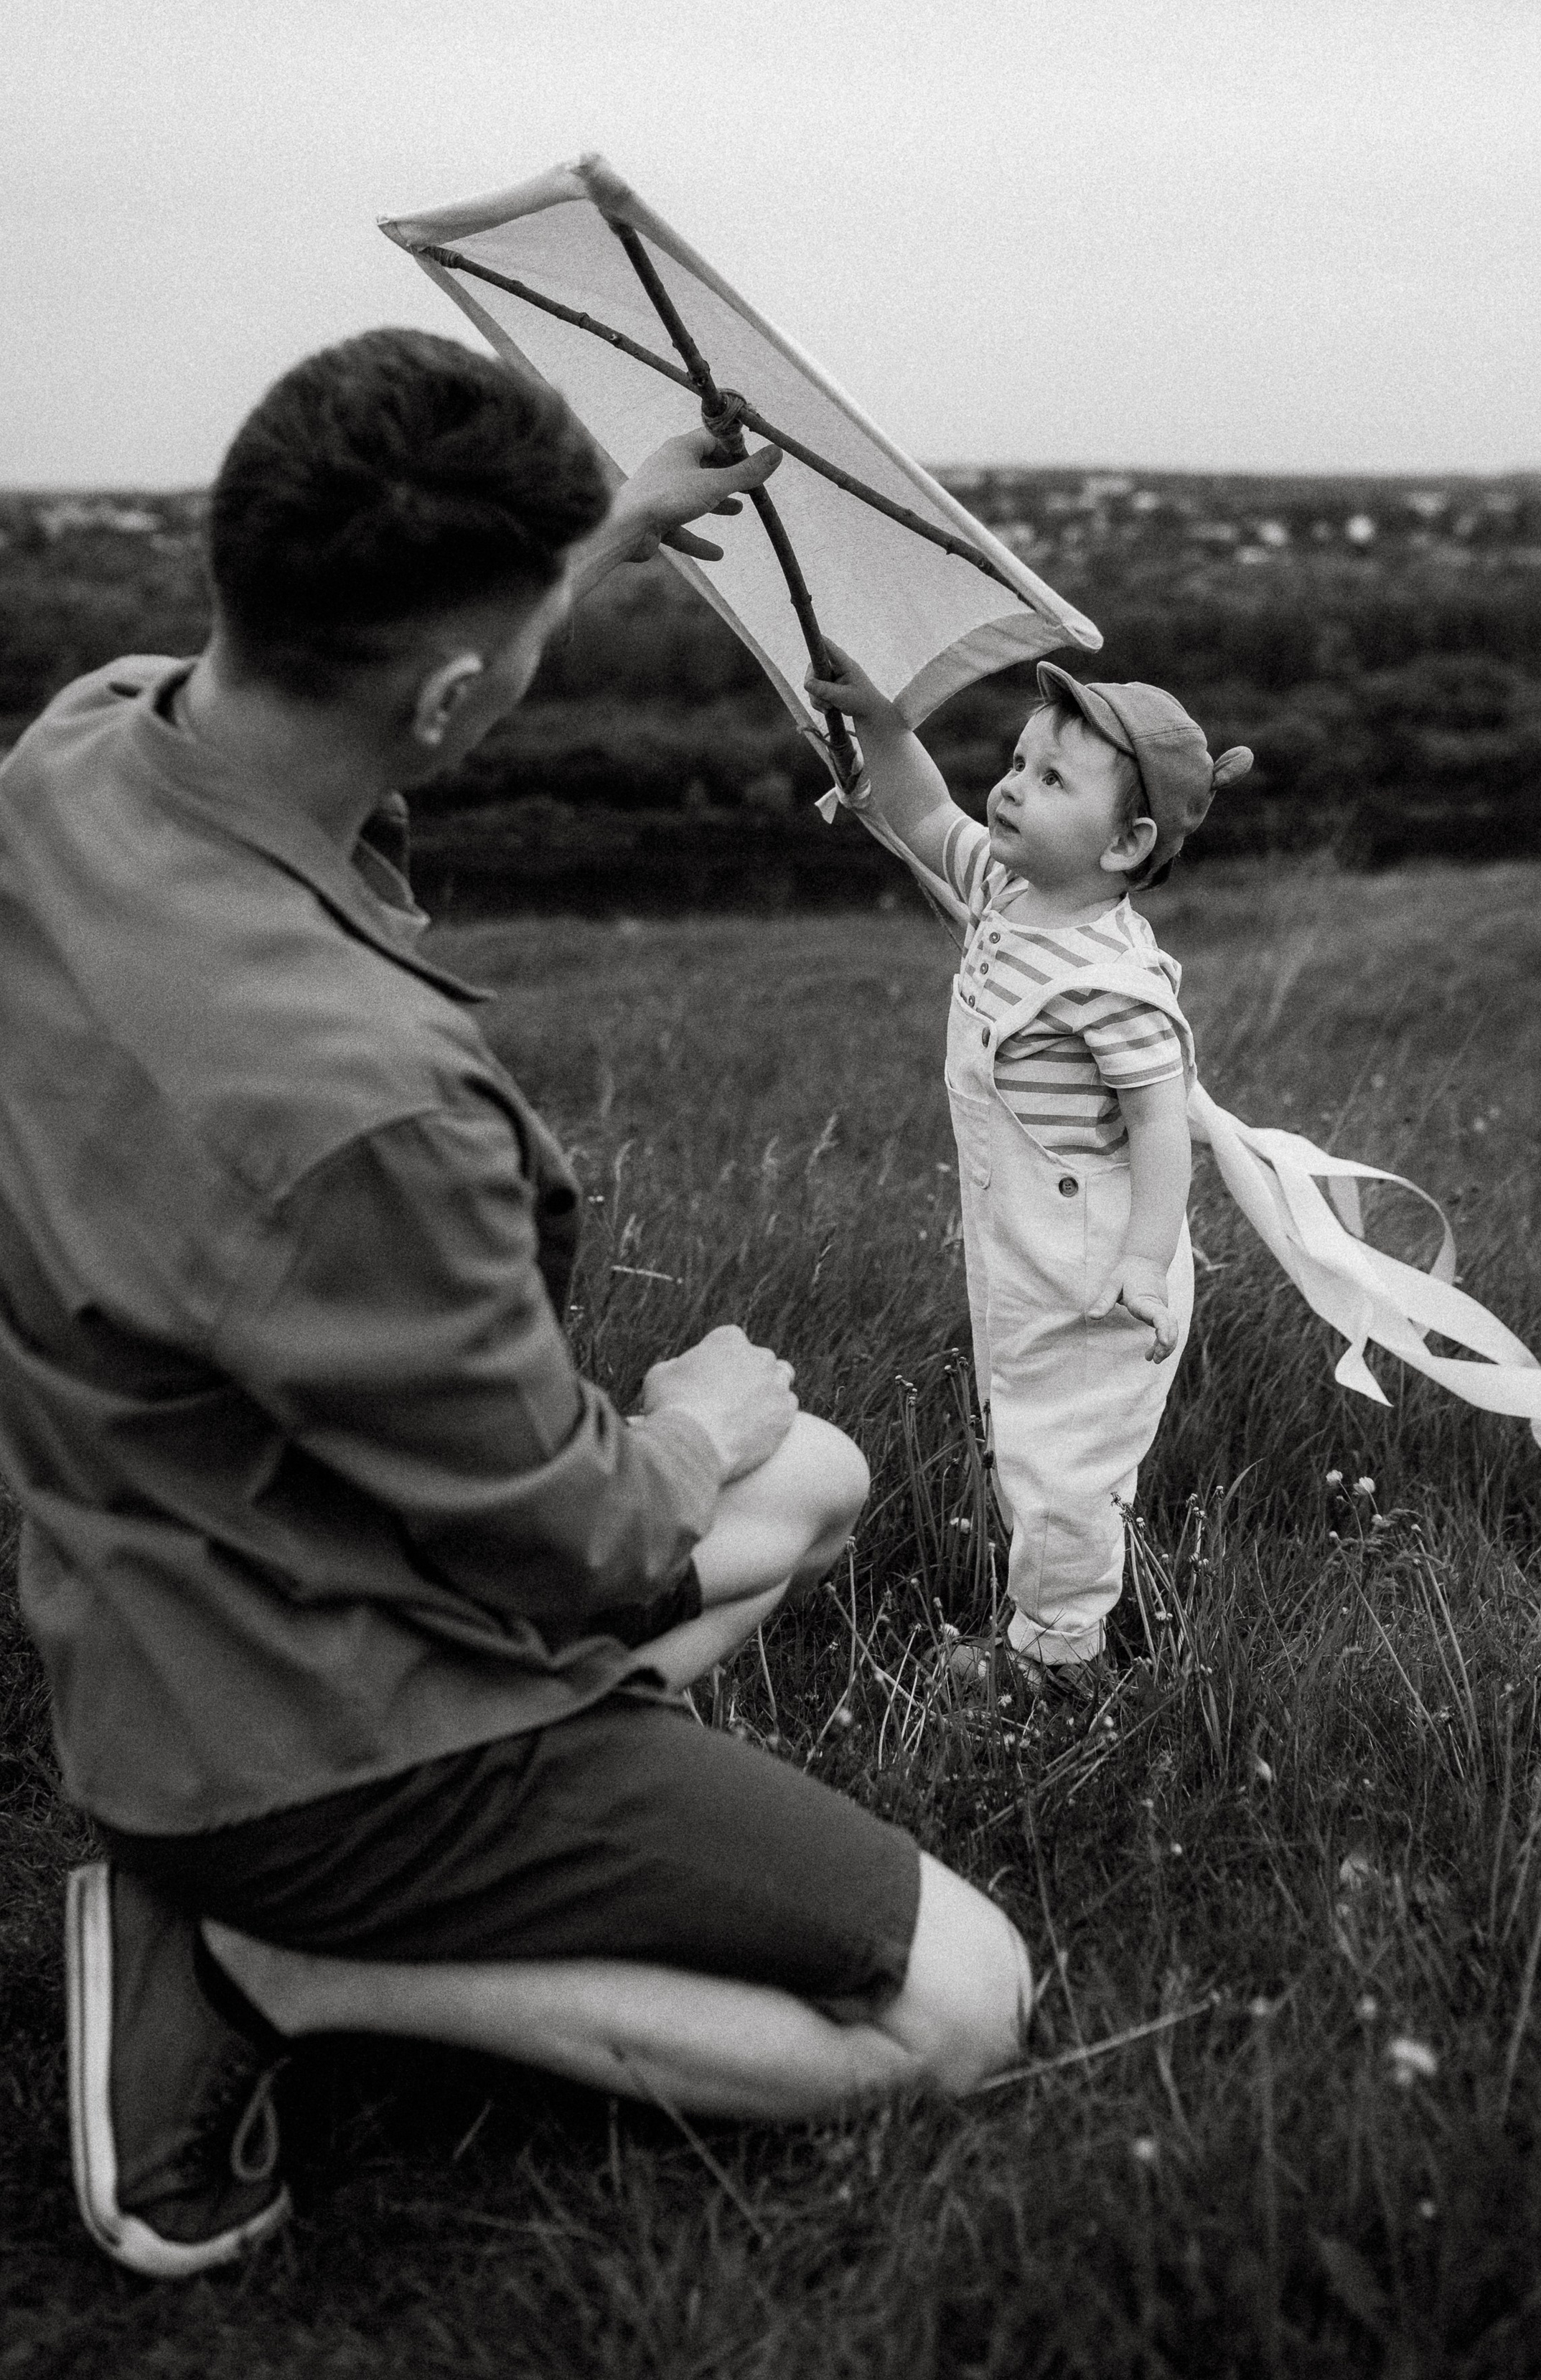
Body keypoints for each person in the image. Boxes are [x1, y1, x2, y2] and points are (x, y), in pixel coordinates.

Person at [0, 330, 1032, 2285]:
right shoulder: (361, 1110)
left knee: (822, 1474)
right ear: (452, 695)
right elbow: (573, 1542)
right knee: (963, 2004)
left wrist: (610, 529)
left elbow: (384, 685)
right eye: (521, 638)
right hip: (316, 1731)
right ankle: (272, 1963)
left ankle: (332, 1893)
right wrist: (695, 1427)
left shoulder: (78, 752)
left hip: (175, 1593)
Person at [802, 642, 1252, 1697]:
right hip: (1025, 1242)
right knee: (1028, 1435)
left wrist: (1143, 1264)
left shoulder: (1114, 982)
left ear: (1126, 843)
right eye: (1017, 762)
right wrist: (881, 722)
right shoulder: (1005, 887)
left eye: (1052, 780)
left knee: (1063, 1465)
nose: (1009, 787)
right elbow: (922, 810)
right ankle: (1064, 1603)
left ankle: (1055, 1661)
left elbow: (1159, 1129)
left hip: (1097, 1267)